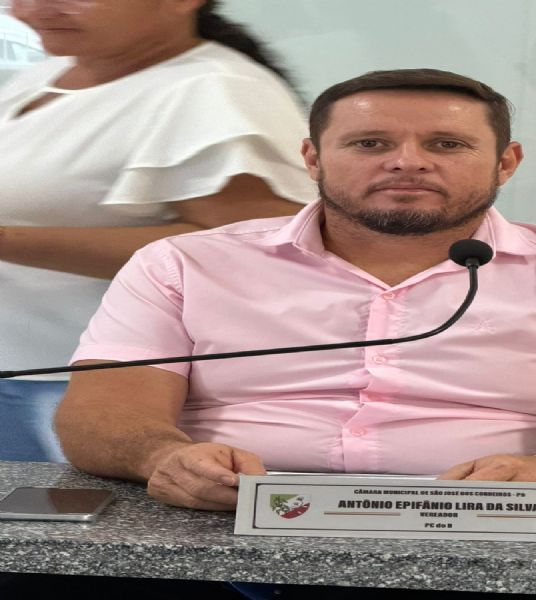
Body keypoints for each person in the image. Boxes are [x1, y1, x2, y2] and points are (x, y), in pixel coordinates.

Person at [56, 68, 536, 510]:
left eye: (447, 144)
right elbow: (99, 415)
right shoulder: (182, 264)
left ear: (505, 163)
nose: (407, 161)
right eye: (370, 143)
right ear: (312, 158)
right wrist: (163, 458)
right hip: (220, 523)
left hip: (489, 528)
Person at [0, 0, 318, 462]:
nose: (34, 10)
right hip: (24, 368)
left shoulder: (214, 91)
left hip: (93, 389)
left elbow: (254, 248)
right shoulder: (47, 75)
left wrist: (8, 242)